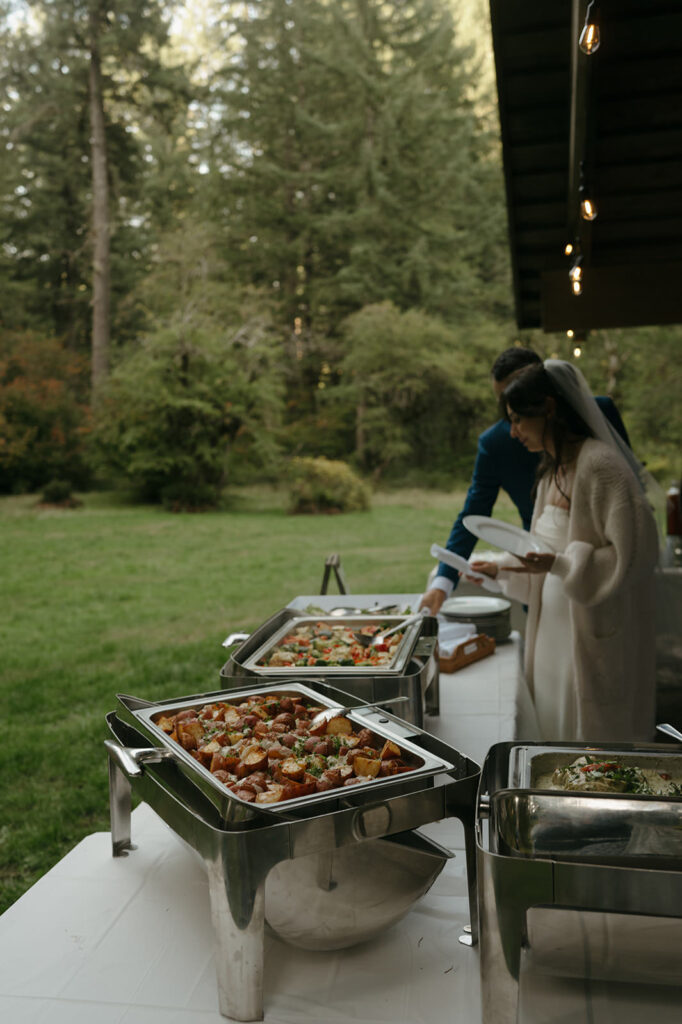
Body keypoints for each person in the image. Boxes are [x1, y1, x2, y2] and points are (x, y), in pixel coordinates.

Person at [468, 359, 659, 744]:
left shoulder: (601, 465)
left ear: (549, 409)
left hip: (586, 631)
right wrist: (502, 568)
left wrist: (560, 563)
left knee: (585, 736)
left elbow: (634, 555)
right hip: (551, 630)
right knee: (552, 722)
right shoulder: (552, 470)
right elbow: (544, 549)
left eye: (519, 418)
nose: (513, 430)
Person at [419, 347, 630, 615]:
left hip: (603, 584)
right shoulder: (496, 443)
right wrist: (443, 582)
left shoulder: (599, 417)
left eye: (517, 403)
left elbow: (629, 498)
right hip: (538, 577)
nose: (511, 424)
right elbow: (474, 511)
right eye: (504, 405)